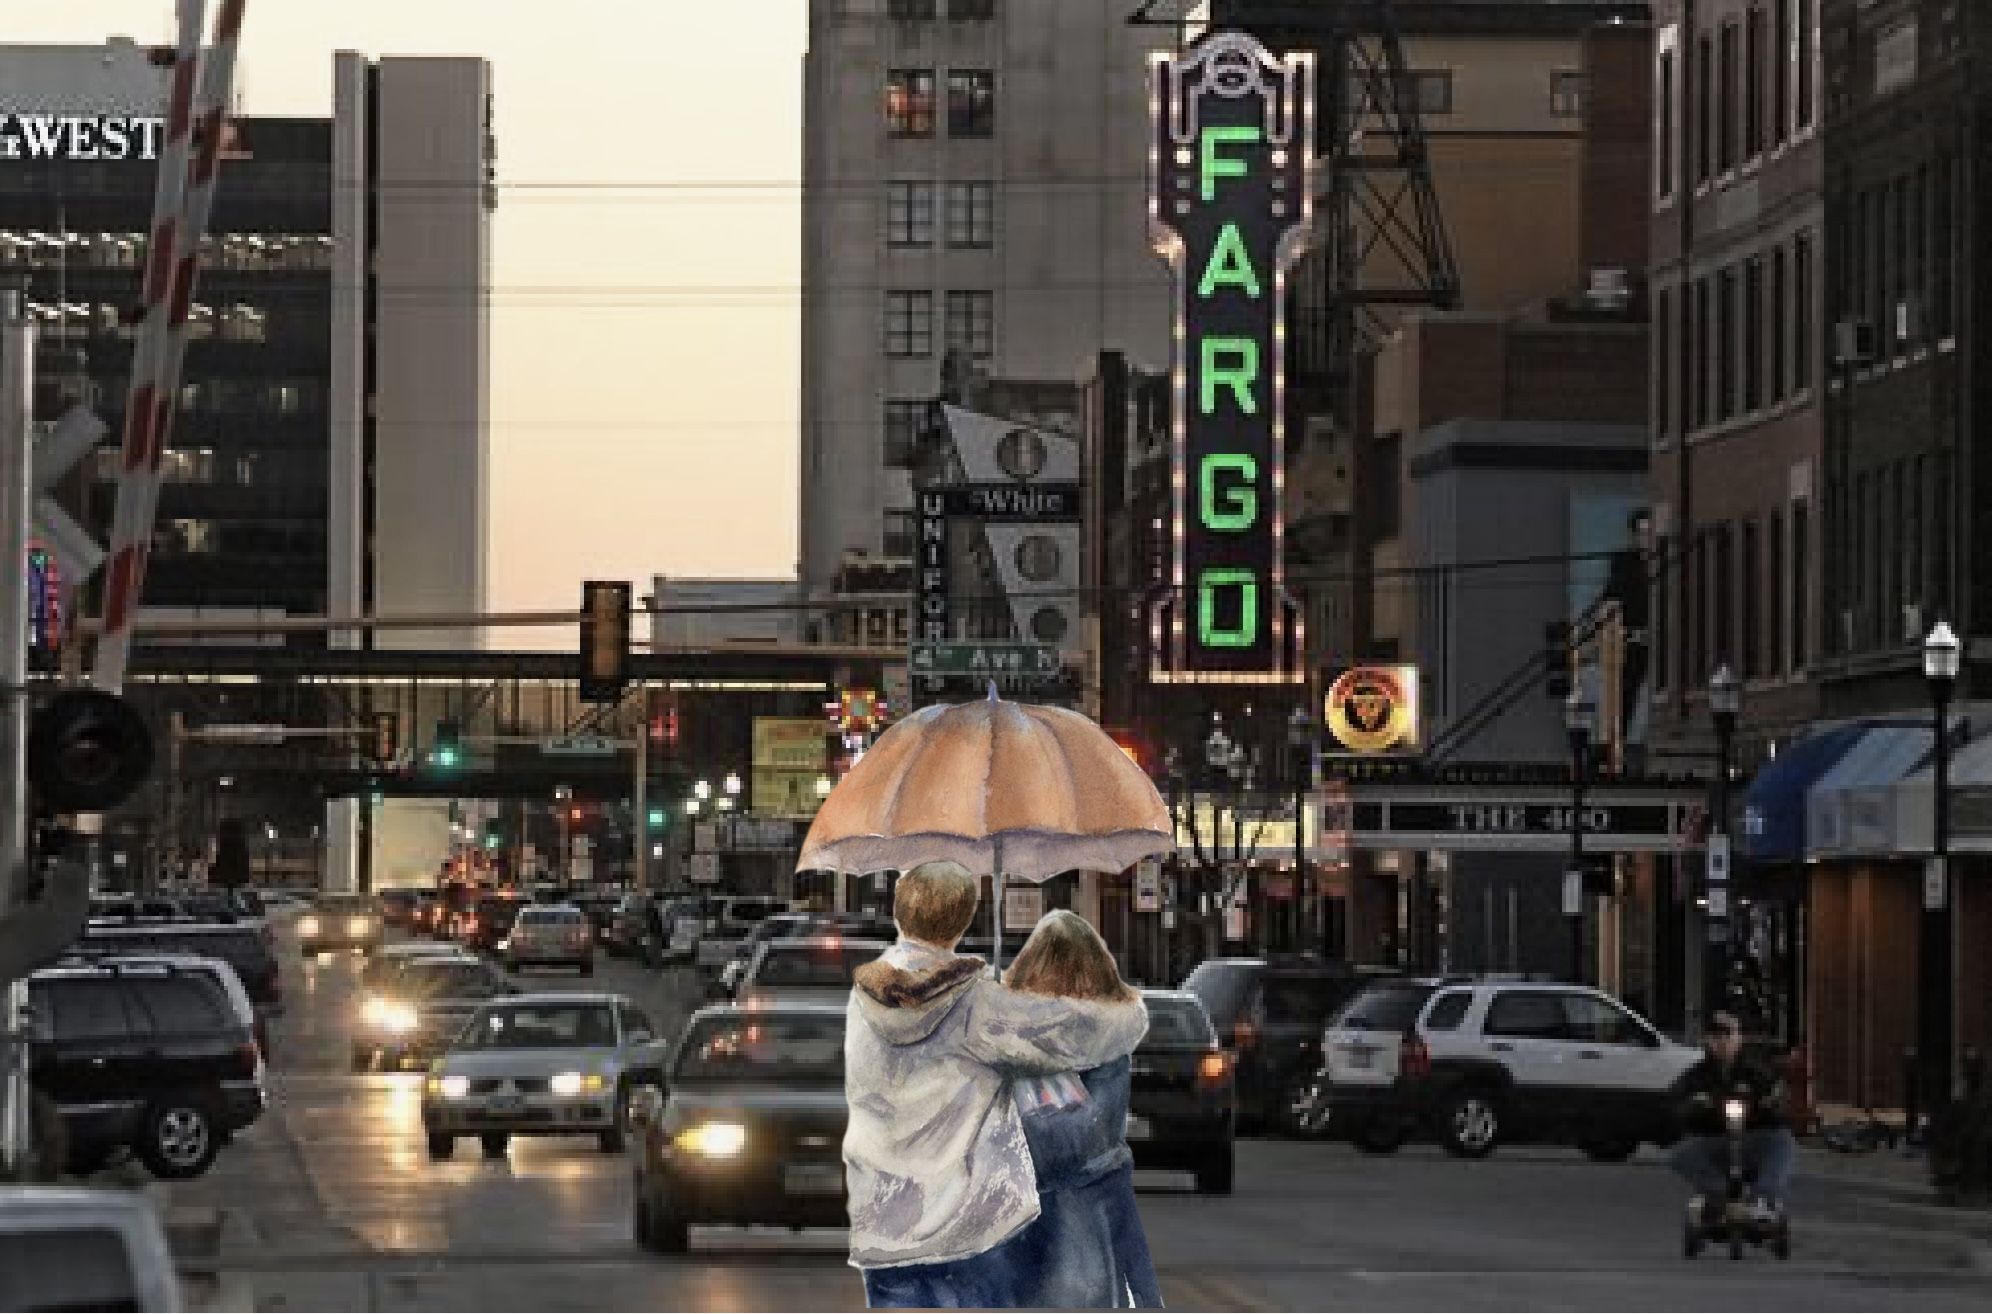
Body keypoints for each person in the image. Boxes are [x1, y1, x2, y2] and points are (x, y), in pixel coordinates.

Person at [845, 862, 1150, 1309]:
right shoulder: (975, 1005)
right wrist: (1134, 1013)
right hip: (965, 1227)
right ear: (964, 917)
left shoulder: (864, 1001)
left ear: (898, 912)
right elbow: (1075, 1035)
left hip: (883, 1226)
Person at [999, 911, 1163, 1309]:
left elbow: (1088, 1135)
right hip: (1046, 1219)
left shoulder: (1105, 1051)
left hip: (1063, 1217)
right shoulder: (1007, 1044)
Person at [1668, 1011, 1795, 1221]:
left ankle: (1761, 1201)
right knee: (1681, 1153)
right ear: (1706, 1040)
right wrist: (1694, 1107)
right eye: (1716, 1036)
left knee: (1782, 1143)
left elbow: (1779, 1097)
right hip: (1716, 1140)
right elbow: (1677, 1103)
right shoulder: (1696, 1076)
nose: (1722, 1042)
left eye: (1728, 1035)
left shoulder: (1758, 1071)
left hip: (1754, 1138)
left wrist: (1772, 1105)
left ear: (1739, 1038)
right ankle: (1720, 1195)